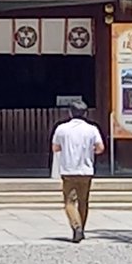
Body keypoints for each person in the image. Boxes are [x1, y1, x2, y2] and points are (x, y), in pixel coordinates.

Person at [51, 99, 105, 243]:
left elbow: (55, 148)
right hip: (86, 169)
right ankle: (82, 227)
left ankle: (76, 227)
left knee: (69, 201)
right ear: (85, 113)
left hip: (68, 169)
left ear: (70, 112)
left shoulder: (61, 128)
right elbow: (100, 148)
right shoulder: (92, 129)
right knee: (83, 201)